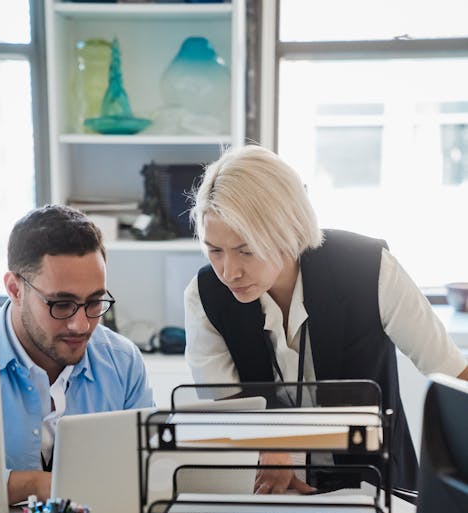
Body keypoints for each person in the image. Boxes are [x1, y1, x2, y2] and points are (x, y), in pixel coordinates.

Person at [184, 145, 468, 494]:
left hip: (380, 489)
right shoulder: (205, 296)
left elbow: (454, 374)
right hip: (271, 492)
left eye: (246, 250)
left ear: (287, 230)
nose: (229, 272)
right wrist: (267, 443)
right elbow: (225, 411)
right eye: (215, 250)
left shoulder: (370, 269)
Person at [0, 204, 154, 505]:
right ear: (15, 289)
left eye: (95, 302)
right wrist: (40, 485)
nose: (81, 325)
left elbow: (144, 472)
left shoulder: (123, 363)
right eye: (61, 304)